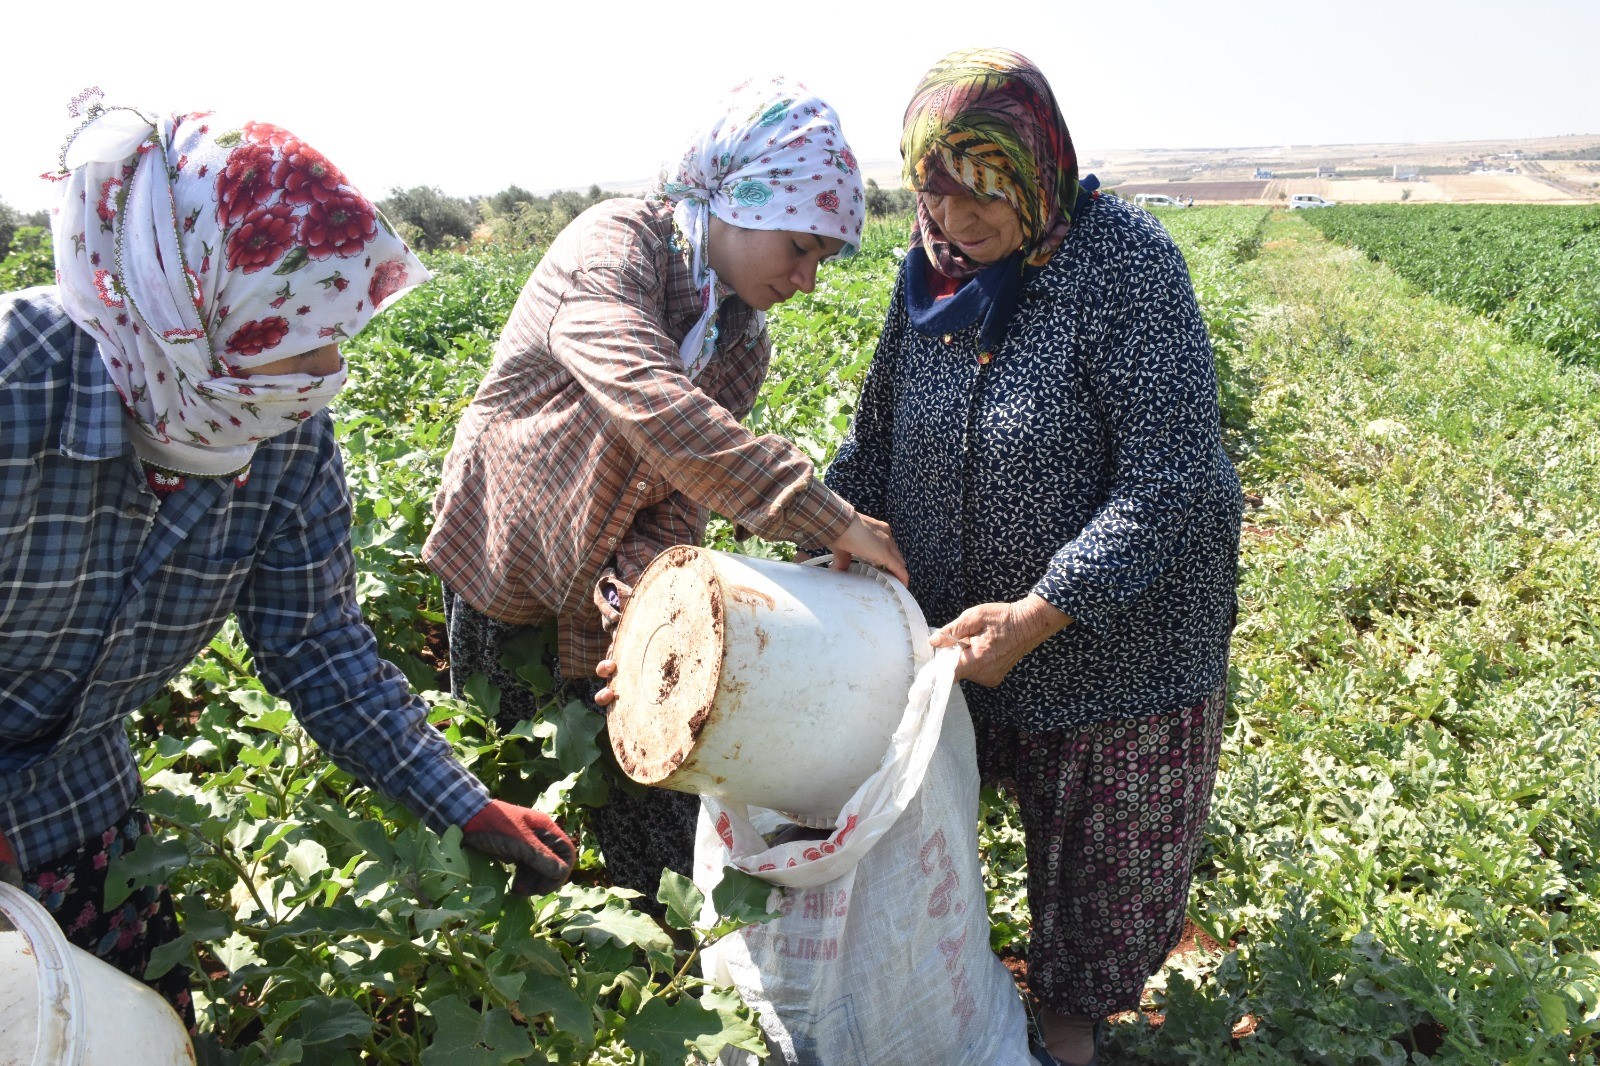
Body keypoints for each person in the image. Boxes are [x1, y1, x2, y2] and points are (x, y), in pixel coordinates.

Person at [0, 96, 576, 1028]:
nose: (325, 369)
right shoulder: (15, 382)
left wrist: (466, 806)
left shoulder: (285, 438)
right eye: (290, 334)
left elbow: (319, 647)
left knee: (123, 1032)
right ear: (180, 300)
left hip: (78, 803)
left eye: (337, 333)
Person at [821, 50, 1242, 1066]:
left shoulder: (1124, 266)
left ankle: (1067, 1032)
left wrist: (1043, 609)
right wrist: (828, 522)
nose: (956, 230)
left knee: (1092, 875)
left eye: (983, 201)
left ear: (1036, 172)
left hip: (1113, 644)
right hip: (961, 631)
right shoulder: (926, 273)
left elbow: (1170, 474)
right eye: (934, 199)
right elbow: (880, 429)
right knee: (933, 838)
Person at [424, 78, 906, 908]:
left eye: (823, 259)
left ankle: (652, 971)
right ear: (735, 201)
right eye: (798, 245)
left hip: (598, 583)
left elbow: (677, 498)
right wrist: (828, 516)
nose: (808, 280)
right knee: (513, 796)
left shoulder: (738, 344)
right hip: (510, 560)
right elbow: (651, 402)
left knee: (645, 812)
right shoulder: (613, 247)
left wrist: (638, 612)